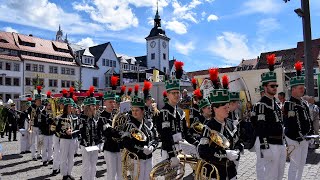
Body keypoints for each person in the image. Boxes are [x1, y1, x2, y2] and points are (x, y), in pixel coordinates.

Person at [156, 60, 199, 170]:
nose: (176, 95)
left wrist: (196, 143)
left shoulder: (180, 111)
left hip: (181, 148)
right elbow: (165, 135)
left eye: (177, 93)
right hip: (169, 150)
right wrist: (171, 154)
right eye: (173, 93)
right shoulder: (164, 112)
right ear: (168, 95)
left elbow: (186, 132)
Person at [198, 73, 241, 180]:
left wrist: (237, 152)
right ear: (215, 109)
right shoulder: (209, 126)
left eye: (228, 107)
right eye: (224, 108)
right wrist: (225, 154)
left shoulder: (231, 123)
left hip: (231, 172)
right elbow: (202, 151)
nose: (228, 110)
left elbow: (238, 142)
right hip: (215, 174)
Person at [254, 54, 286, 180]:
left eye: (276, 86)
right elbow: (260, 128)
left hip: (280, 143)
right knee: (270, 176)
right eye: (272, 86)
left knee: (279, 174)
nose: (275, 88)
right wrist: (264, 147)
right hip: (270, 144)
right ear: (265, 87)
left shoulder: (276, 104)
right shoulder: (261, 105)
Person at [283, 61, 314, 180]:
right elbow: (290, 124)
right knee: (294, 165)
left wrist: (310, 134)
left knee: (301, 165)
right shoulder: (289, 104)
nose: (303, 90)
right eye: (300, 88)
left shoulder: (303, 103)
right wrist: (302, 136)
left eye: (303, 88)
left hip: (305, 139)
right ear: (293, 89)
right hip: (294, 139)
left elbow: (308, 120)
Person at [122, 95, 158, 180]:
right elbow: (126, 143)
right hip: (136, 160)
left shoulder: (149, 124)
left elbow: (155, 138)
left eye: (137, 110)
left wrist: (152, 147)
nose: (134, 113)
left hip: (149, 158)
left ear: (143, 111)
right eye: (133, 110)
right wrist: (141, 149)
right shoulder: (129, 125)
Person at [100, 77, 123, 180]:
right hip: (109, 148)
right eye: (110, 102)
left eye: (114, 102)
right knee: (111, 174)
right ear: (105, 103)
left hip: (120, 148)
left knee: (121, 174)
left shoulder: (117, 114)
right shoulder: (102, 117)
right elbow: (108, 132)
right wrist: (121, 133)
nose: (112, 104)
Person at [79, 96, 102, 180]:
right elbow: (81, 132)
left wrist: (100, 141)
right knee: (86, 165)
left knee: (93, 165)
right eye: (93, 105)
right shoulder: (82, 117)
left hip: (94, 144)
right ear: (88, 107)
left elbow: (98, 131)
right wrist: (86, 144)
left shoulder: (96, 117)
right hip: (86, 145)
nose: (95, 107)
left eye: (95, 105)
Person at [56, 98, 77, 180]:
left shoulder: (74, 116)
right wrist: (65, 132)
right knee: (64, 157)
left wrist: (74, 131)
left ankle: (69, 173)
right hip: (64, 139)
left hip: (73, 139)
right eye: (69, 106)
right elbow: (57, 130)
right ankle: (64, 174)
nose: (70, 108)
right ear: (65, 107)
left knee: (71, 158)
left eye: (71, 106)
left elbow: (76, 126)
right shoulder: (60, 117)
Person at [28, 86, 45, 160]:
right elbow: (27, 115)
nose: (40, 102)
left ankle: (39, 154)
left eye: (40, 100)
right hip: (33, 126)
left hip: (40, 126)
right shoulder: (31, 107)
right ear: (35, 101)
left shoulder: (42, 107)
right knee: (33, 142)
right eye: (39, 100)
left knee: (40, 141)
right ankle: (33, 155)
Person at [39, 92, 55, 166]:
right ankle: (44, 160)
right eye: (49, 105)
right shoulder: (42, 113)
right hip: (45, 133)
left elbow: (54, 122)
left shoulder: (52, 113)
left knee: (51, 147)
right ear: (46, 106)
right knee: (44, 147)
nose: (50, 106)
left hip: (51, 132)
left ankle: (50, 158)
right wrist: (46, 123)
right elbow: (40, 123)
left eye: (50, 105)